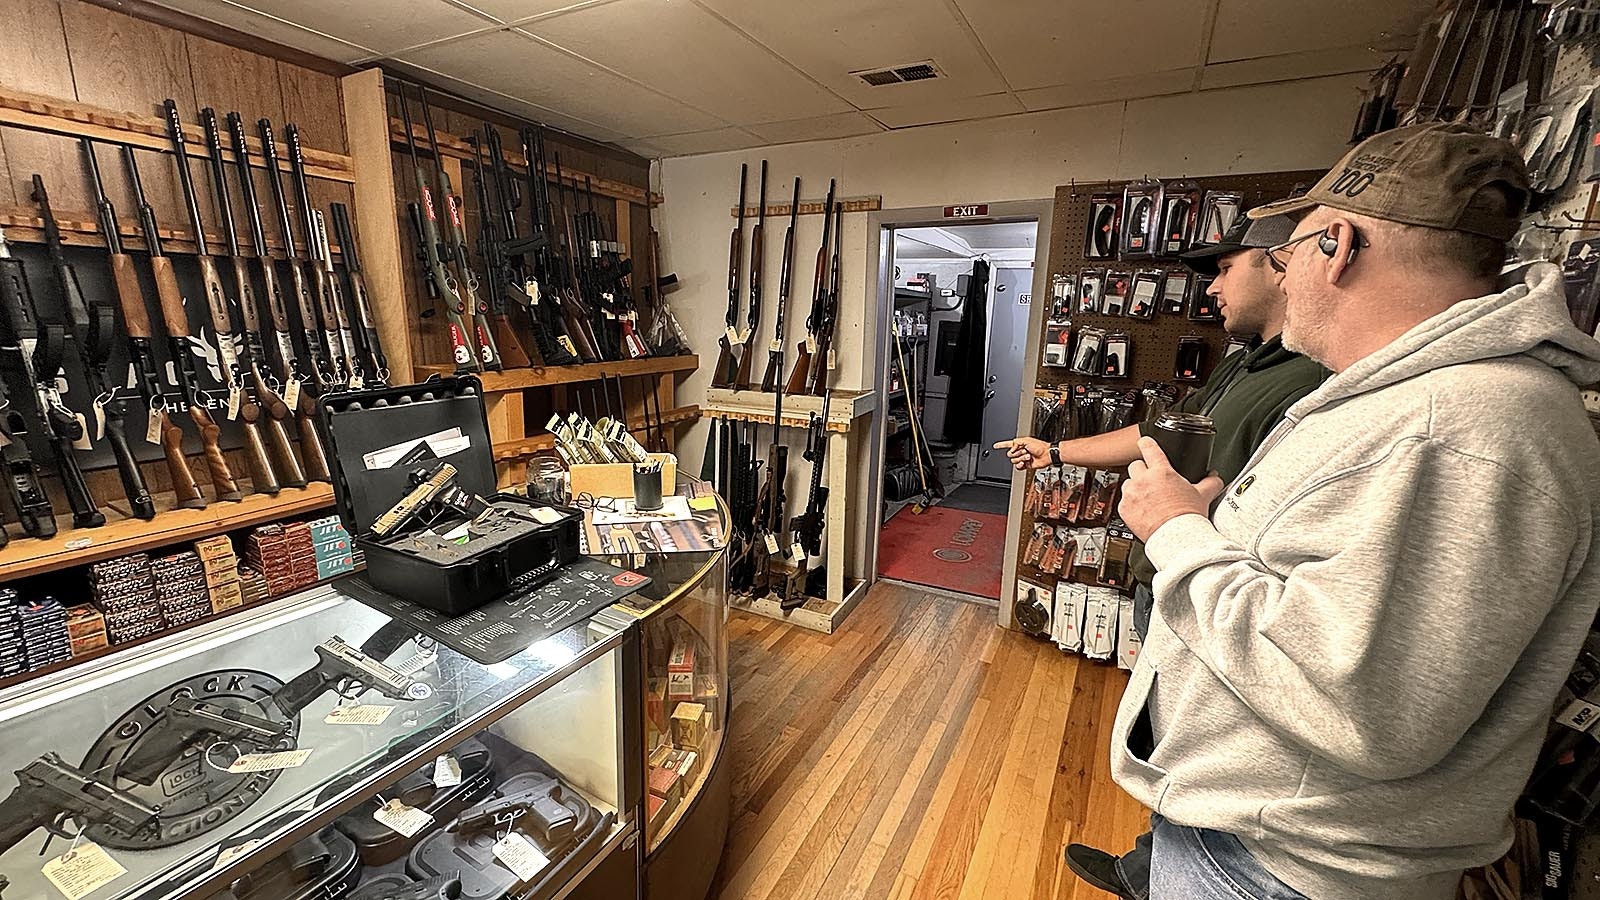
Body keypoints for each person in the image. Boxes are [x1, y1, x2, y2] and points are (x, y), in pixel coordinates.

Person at [1114, 122, 1600, 900]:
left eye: (1286, 252)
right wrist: (1218, 526)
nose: (1282, 273)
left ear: (1335, 245)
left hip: (1279, 870)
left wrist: (1178, 535)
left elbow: (1364, 706)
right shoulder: (1418, 402)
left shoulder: (1460, 429)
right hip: (1262, 843)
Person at [996, 213, 1326, 899]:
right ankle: (1151, 865)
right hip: (1171, 577)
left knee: (1189, 744)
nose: (1209, 289)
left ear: (1279, 262)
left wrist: (1184, 517)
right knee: (1167, 732)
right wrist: (1054, 451)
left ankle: (1166, 873)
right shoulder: (1247, 363)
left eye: (1224, 268)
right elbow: (1155, 432)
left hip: (1217, 600)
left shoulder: (1311, 381)